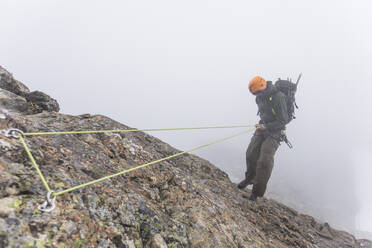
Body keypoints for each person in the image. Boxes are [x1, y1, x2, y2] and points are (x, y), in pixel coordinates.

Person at [238, 76, 290, 201]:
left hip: (275, 132)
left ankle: (256, 193)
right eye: (255, 93)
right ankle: (249, 179)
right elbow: (265, 113)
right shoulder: (259, 97)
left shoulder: (279, 97)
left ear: (263, 87)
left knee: (264, 161)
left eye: (258, 92)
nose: (257, 95)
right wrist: (262, 125)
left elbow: (283, 120)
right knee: (250, 153)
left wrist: (266, 126)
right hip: (263, 128)